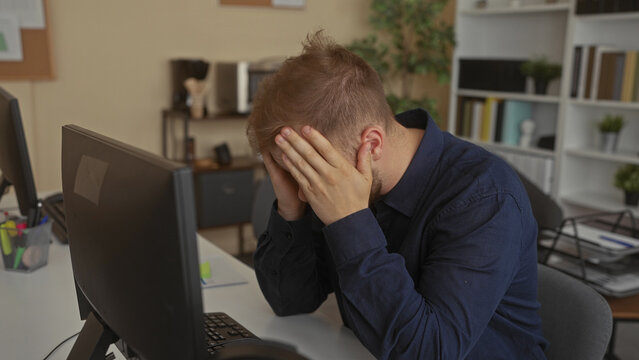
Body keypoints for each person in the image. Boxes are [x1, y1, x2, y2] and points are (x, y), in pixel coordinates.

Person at [247, 31, 548, 360]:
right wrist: (292, 209)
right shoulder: (337, 172)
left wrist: (350, 222)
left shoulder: (484, 197)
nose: (307, 188)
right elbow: (290, 302)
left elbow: (430, 352)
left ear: (372, 144)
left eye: (310, 170)